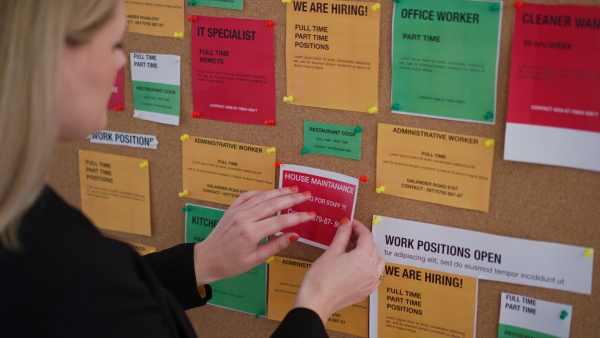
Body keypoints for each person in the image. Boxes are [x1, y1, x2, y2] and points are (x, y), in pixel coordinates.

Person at [0, 0, 386, 337]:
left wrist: (201, 262)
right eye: (115, 44)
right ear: (51, 57)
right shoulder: (74, 281)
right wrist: (316, 305)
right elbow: (96, 300)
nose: (122, 62)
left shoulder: (23, 213)